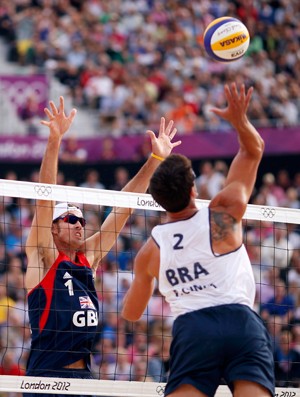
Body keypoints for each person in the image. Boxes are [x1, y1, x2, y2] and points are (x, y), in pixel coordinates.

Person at [122, 83, 275, 397]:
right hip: (240, 322)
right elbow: (253, 150)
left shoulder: (151, 251)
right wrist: (239, 121)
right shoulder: (222, 215)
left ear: (160, 202)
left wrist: (170, 281)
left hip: (193, 331)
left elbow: (132, 313)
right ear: (194, 189)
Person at [24, 96, 181, 394]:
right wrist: (55, 141)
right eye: (70, 219)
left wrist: (156, 160)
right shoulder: (43, 257)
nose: (79, 224)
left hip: (84, 378)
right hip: (46, 378)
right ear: (53, 228)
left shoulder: (89, 259)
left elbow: (124, 208)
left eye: (82, 220)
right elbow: (44, 200)